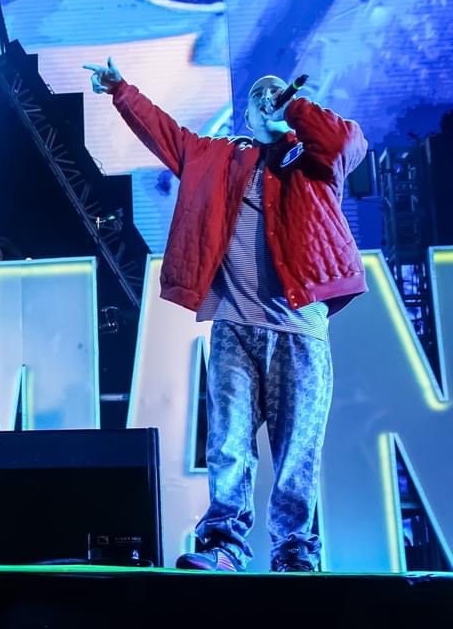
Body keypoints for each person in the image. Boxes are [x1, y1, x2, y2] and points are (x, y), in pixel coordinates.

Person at [85, 58, 368, 572]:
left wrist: (294, 110)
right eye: (259, 96)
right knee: (228, 444)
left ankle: (294, 552)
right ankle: (224, 546)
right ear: (247, 115)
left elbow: (347, 142)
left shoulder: (316, 158)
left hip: (299, 329)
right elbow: (166, 135)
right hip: (234, 327)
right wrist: (121, 90)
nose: (268, 98)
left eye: (277, 92)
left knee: (297, 451)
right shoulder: (218, 158)